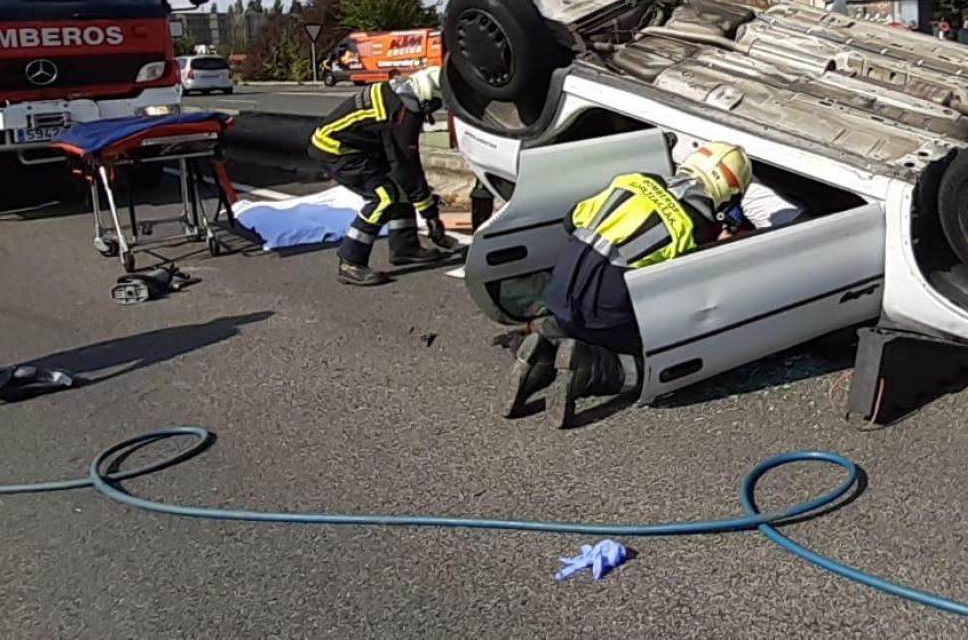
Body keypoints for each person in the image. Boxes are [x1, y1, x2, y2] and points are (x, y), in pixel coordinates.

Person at [502, 141, 754, 428]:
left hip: (559, 291)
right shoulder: (696, 227)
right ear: (728, 193)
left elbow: (571, 221)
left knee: (588, 314)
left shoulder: (634, 181)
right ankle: (589, 367)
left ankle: (543, 356)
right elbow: (687, 296)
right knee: (661, 362)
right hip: (605, 311)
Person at [308, 66, 456, 286]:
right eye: (435, 105)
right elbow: (407, 166)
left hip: (360, 146)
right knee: (384, 196)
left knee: (400, 187)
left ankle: (404, 247)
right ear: (427, 100)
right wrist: (430, 215)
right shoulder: (403, 115)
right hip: (335, 149)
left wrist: (424, 205)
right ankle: (350, 261)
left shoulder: (399, 93)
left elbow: (403, 171)